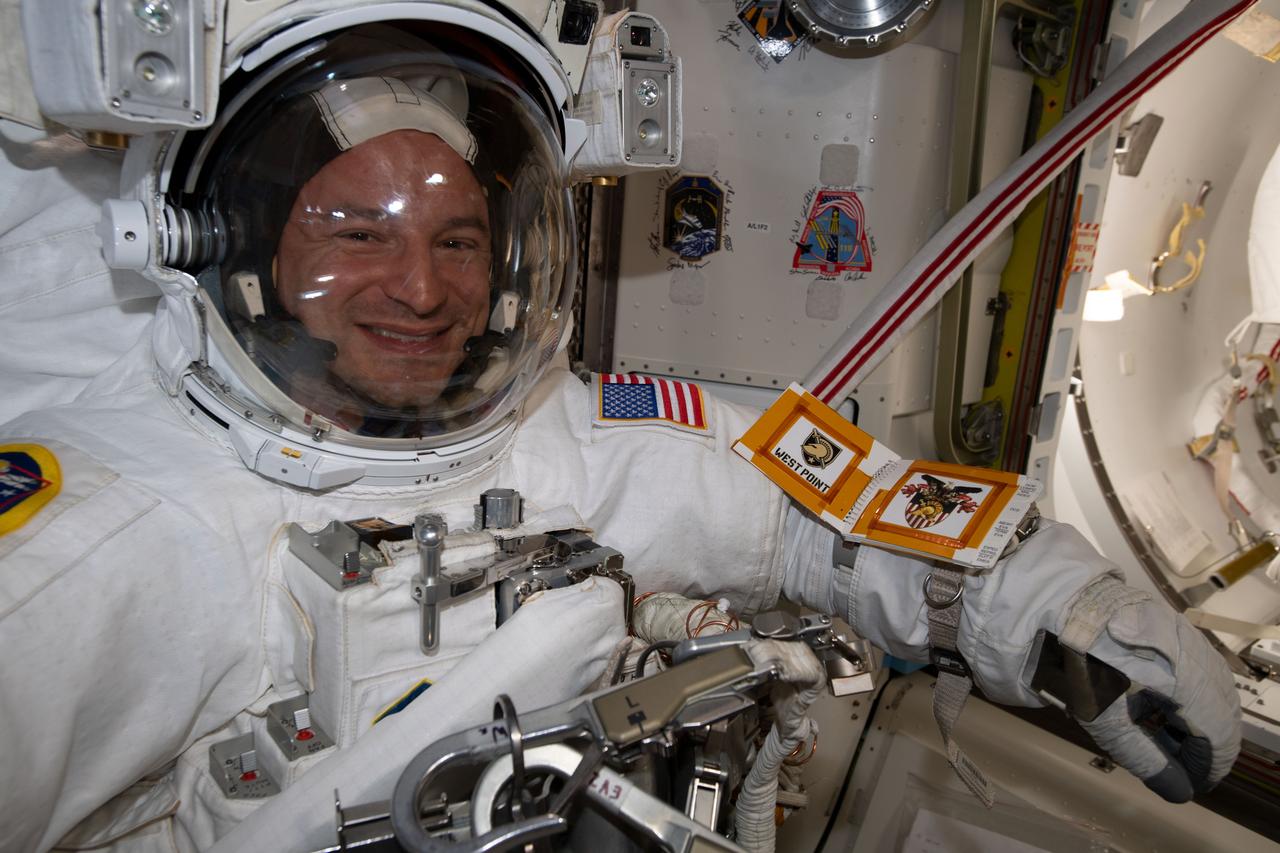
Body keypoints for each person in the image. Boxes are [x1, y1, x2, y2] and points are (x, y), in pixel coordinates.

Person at [0, 11, 1240, 853]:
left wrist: (1048, 606)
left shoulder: (553, 441)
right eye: (357, 233)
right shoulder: (129, 527)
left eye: (458, 238)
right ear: (243, 251)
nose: (421, 289)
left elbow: (816, 505)